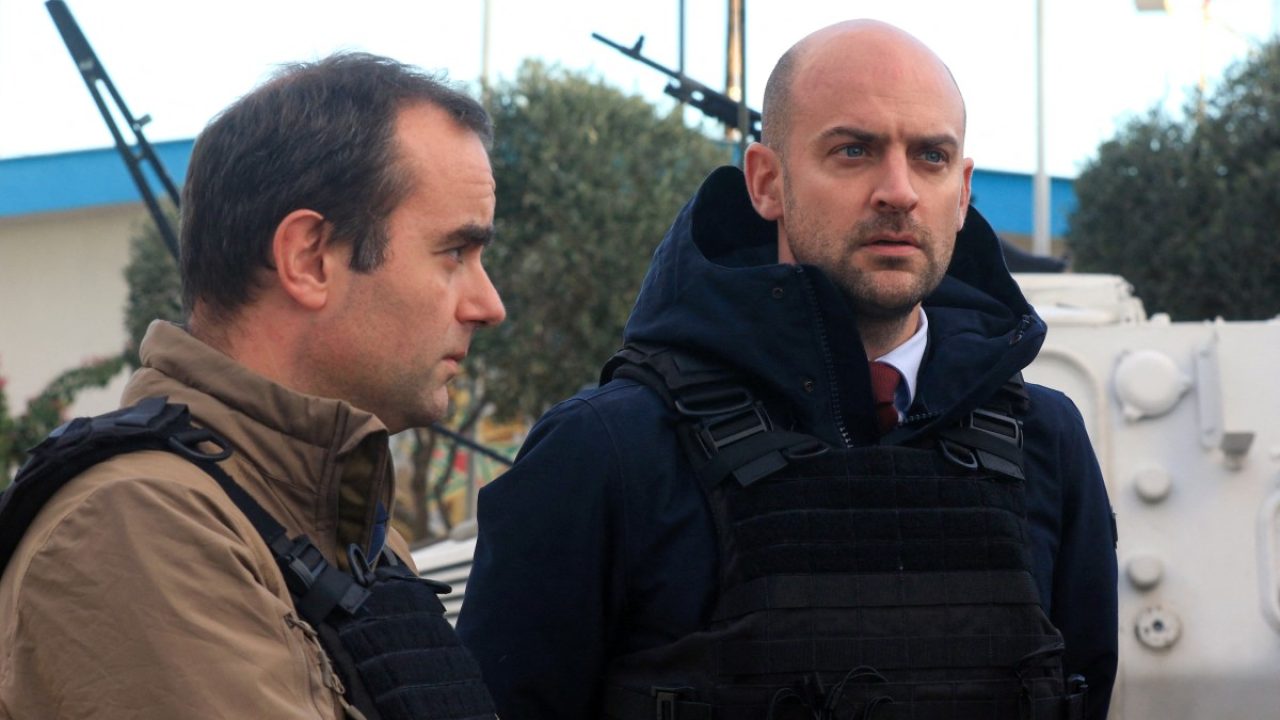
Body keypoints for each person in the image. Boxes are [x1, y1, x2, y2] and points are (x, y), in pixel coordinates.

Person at [458, 19, 1117, 720]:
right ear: (767, 182)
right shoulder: (606, 452)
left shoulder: (1047, 441)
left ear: (962, 191)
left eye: (930, 156)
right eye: (854, 150)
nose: (898, 191)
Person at [0, 53, 505, 719]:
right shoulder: (137, 527)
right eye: (454, 254)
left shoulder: (352, 533)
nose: (488, 303)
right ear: (309, 258)